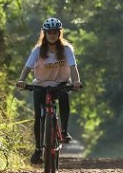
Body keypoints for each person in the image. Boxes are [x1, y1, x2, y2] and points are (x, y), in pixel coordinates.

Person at [16, 17, 84, 164]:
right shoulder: (38, 50)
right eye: (49, 32)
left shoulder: (66, 49)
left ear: (59, 33)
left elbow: (73, 68)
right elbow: (27, 67)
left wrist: (76, 82)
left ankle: (64, 132)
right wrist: (21, 80)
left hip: (60, 85)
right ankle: (38, 150)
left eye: (55, 32)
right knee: (38, 117)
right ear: (45, 34)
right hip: (40, 85)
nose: (52, 35)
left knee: (64, 97)